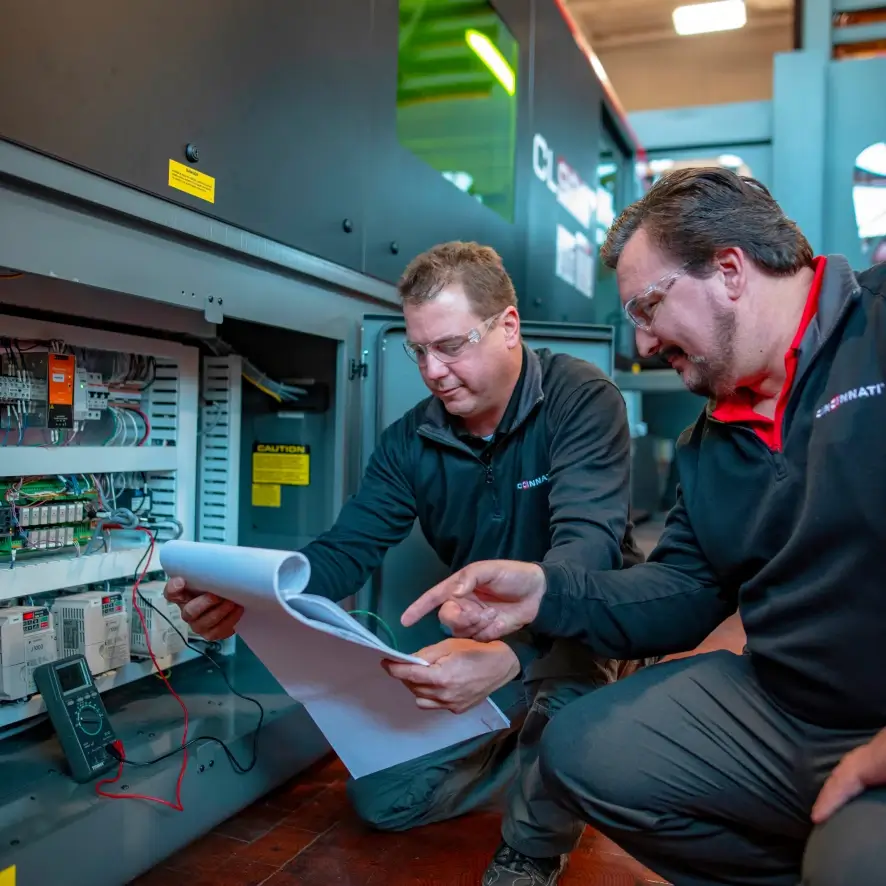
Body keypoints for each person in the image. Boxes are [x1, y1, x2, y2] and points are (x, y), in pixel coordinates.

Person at [401, 169, 886, 886]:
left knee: (858, 865)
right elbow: (683, 589)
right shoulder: (710, 443)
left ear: (728, 269)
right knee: (581, 751)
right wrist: (542, 596)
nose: (643, 341)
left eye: (648, 307)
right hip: (787, 706)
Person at [166, 240, 646, 885]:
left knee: (564, 702)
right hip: (482, 628)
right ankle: (556, 764)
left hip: (584, 616)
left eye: (451, 345)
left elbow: (587, 548)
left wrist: (515, 655)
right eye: (418, 350)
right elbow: (345, 551)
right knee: (385, 802)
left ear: (508, 327)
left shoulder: (581, 399)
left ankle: (547, 806)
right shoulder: (411, 439)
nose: (434, 370)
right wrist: (252, 598)